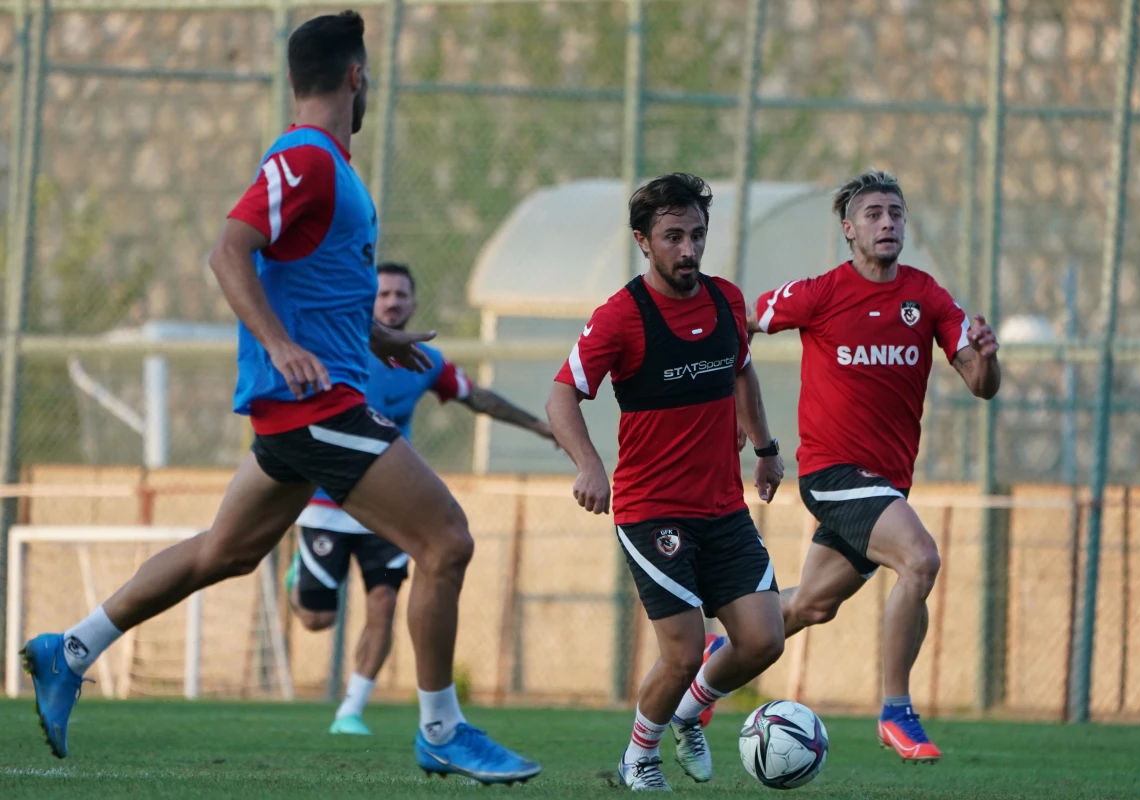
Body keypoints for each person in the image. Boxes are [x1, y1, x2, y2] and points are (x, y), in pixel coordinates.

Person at [20, 11, 541, 784]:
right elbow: (229, 250)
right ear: (356, 76)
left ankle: (70, 649)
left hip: (310, 403)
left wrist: (377, 337)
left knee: (223, 553)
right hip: (317, 405)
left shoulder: (328, 164)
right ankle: (441, 729)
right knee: (446, 542)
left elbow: (310, 279)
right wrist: (279, 344)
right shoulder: (305, 159)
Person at [740, 168, 1002, 763]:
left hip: (885, 485)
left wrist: (987, 358)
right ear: (849, 229)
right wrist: (744, 417)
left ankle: (713, 664)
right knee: (921, 559)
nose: (887, 223)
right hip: (832, 475)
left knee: (809, 606)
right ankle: (896, 711)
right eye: (874, 214)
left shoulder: (927, 296)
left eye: (896, 213)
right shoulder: (820, 292)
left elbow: (981, 384)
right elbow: (739, 325)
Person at [545, 173, 787, 791]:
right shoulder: (621, 316)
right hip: (652, 511)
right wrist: (590, 464)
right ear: (643, 242)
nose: (688, 249)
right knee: (682, 651)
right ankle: (639, 758)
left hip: (723, 508)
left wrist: (764, 447)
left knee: (764, 640)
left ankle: (687, 713)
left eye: (697, 235)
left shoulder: (728, 300)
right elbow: (562, 395)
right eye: (673, 236)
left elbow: (742, 374)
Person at [287, 261, 558, 736]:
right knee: (316, 618)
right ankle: (301, 576)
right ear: (368, 302)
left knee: (384, 603)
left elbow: (477, 397)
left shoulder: (424, 362)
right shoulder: (340, 350)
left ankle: (350, 711)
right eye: (383, 293)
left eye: (400, 294)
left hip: (389, 504)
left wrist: (537, 425)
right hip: (329, 502)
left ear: (413, 304)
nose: (392, 301)